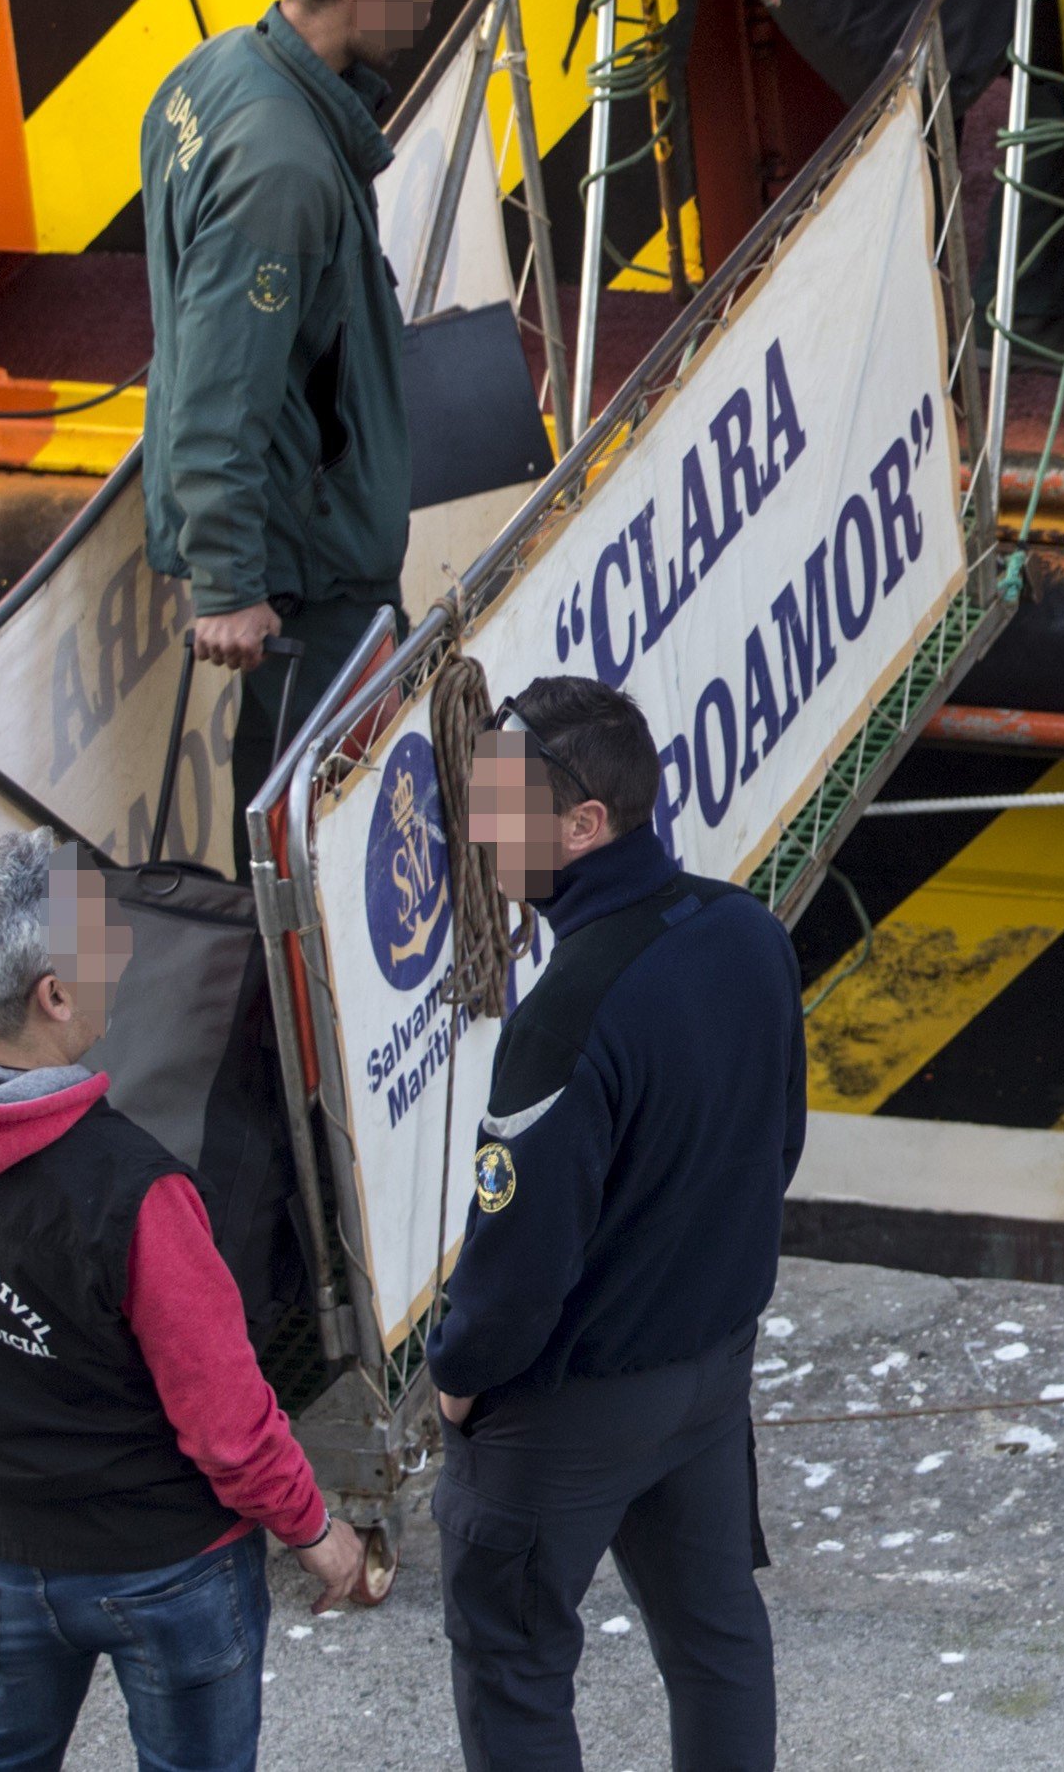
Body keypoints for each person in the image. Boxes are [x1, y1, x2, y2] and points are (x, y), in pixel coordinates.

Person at [0, 828, 373, 1772]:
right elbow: (227, 1425)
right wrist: (317, 1533)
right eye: (105, 939)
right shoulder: (134, 1189)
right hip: (169, 1569)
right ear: (54, 996)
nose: (123, 954)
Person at [426, 677, 806, 1772]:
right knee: (716, 1635)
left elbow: (519, 1262)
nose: (478, 826)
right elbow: (775, 1145)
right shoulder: (748, 932)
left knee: (514, 1665)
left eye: (501, 804)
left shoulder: (566, 1015)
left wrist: (459, 1371)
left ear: (585, 825)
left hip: (569, 1408)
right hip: (708, 1371)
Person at [143, 0, 438, 798]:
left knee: (278, 789)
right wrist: (229, 586)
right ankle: (282, 953)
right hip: (308, 569)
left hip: (295, 538)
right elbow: (220, 391)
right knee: (316, 807)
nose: (427, 13)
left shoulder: (214, 68)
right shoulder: (284, 170)